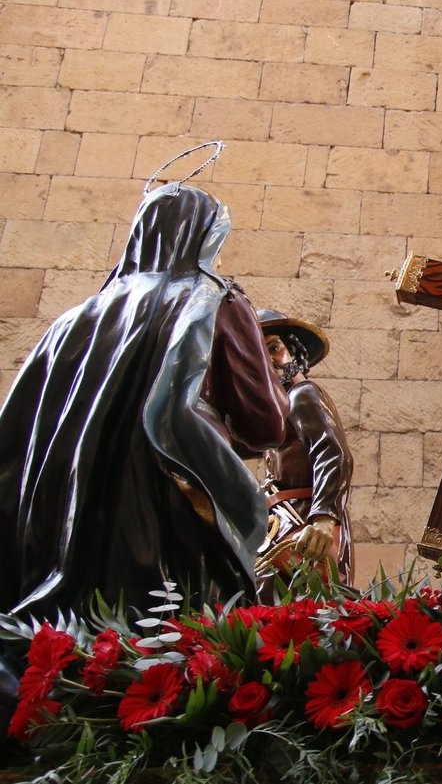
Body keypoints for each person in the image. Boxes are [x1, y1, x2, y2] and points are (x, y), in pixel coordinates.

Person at [0, 182, 288, 623]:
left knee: (69, 645)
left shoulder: (73, 320)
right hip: (169, 501)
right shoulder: (214, 299)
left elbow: (16, 436)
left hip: (65, 514)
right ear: (206, 237)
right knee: (167, 642)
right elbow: (265, 423)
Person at [254, 310, 355, 601]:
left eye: (274, 348)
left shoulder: (303, 394)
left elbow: (333, 454)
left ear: (295, 354)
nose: (268, 360)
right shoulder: (277, 410)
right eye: (258, 352)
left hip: (308, 519)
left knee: (306, 600)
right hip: (284, 520)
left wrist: (324, 517)